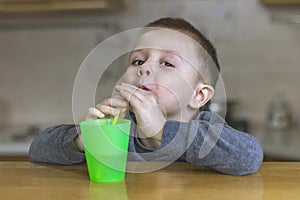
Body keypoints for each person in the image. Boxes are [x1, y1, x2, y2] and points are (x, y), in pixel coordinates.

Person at [29, 17, 263, 176]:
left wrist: (161, 131)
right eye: (138, 61)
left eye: (167, 63)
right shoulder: (120, 129)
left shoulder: (207, 130)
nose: (144, 68)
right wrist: (83, 139)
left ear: (199, 95)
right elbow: (37, 149)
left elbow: (250, 156)